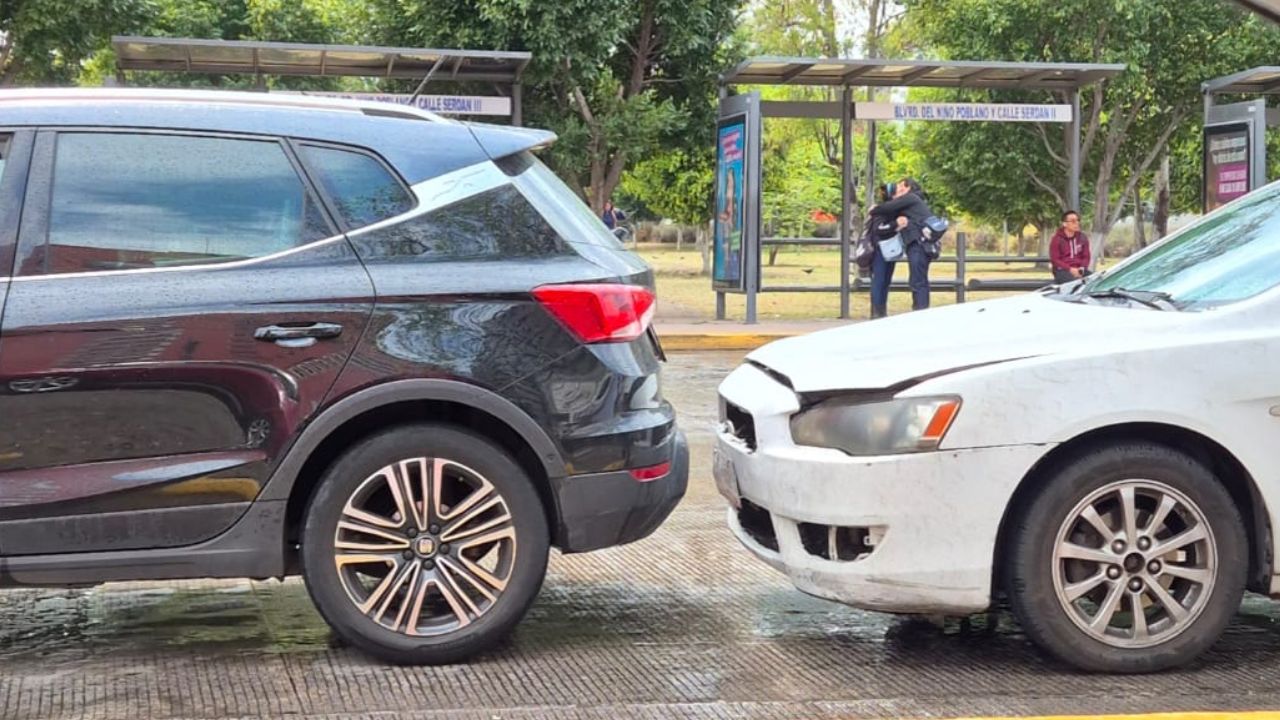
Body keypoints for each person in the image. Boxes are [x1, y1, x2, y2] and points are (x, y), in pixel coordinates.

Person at [867, 177, 936, 317]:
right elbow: (881, 226)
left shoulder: (910, 198)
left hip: (917, 243)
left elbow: (887, 208)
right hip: (913, 244)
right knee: (914, 280)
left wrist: (874, 210)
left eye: (900, 186)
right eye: (896, 188)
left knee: (917, 280)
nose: (898, 190)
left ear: (907, 188)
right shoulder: (911, 202)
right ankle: (918, 310)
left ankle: (920, 311)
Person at [1049, 210, 1091, 284]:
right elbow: (1055, 260)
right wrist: (1070, 269)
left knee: (1096, 282)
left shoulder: (1082, 237)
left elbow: (1086, 256)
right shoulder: (1057, 239)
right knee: (1076, 284)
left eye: (1078, 220)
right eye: (1073, 221)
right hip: (1062, 270)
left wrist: (1082, 268)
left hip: (1080, 269)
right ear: (1064, 224)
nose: (1077, 223)